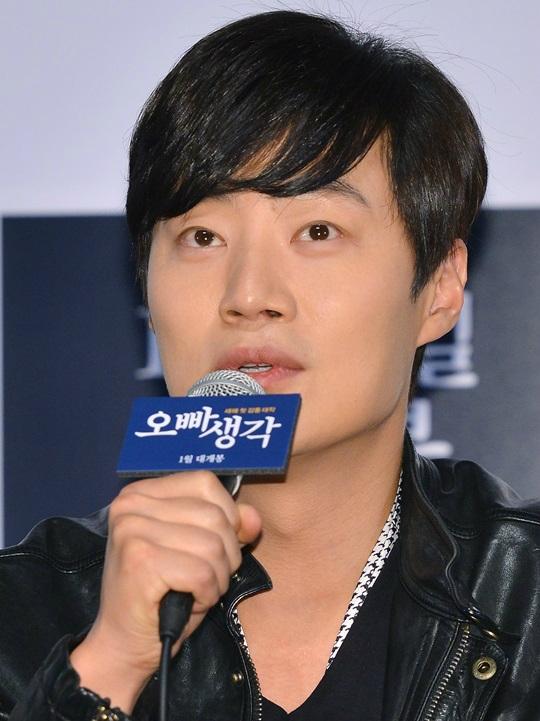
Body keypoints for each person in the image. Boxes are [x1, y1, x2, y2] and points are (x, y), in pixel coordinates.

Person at [1, 9, 539, 721]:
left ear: (439, 288)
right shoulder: (26, 610)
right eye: (202, 236)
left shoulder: (522, 594)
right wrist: (109, 667)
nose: (249, 296)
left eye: (317, 230)